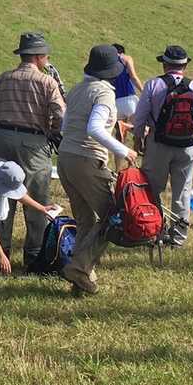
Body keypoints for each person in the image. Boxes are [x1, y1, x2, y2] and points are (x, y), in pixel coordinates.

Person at [58, 44, 134, 295]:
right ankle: (79, 268)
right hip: (87, 159)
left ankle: (81, 280)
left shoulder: (78, 89)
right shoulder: (104, 93)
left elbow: (65, 125)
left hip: (65, 159)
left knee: (85, 220)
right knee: (113, 218)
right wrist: (124, 150)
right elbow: (94, 128)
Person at [0, 32, 66, 272]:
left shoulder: (2, 79)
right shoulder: (47, 82)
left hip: (3, 138)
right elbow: (61, 115)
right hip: (34, 142)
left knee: (1, 194)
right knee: (37, 199)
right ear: (39, 57)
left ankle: (0, 254)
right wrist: (51, 131)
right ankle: (34, 255)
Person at [131, 46, 193, 248]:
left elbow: (140, 117)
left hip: (158, 143)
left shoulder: (153, 85)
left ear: (164, 64)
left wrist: (138, 139)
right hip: (186, 144)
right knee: (183, 192)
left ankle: (154, 230)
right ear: (185, 65)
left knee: (152, 189)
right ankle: (178, 237)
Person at [110, 44, 142, 126]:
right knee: (140, 127)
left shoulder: (107, 62)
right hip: (129, 100)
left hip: (114, 103)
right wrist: (144, 91)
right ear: (122, 52)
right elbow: (133, 77)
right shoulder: (125, 58)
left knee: (120, 127)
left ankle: (122, 125)